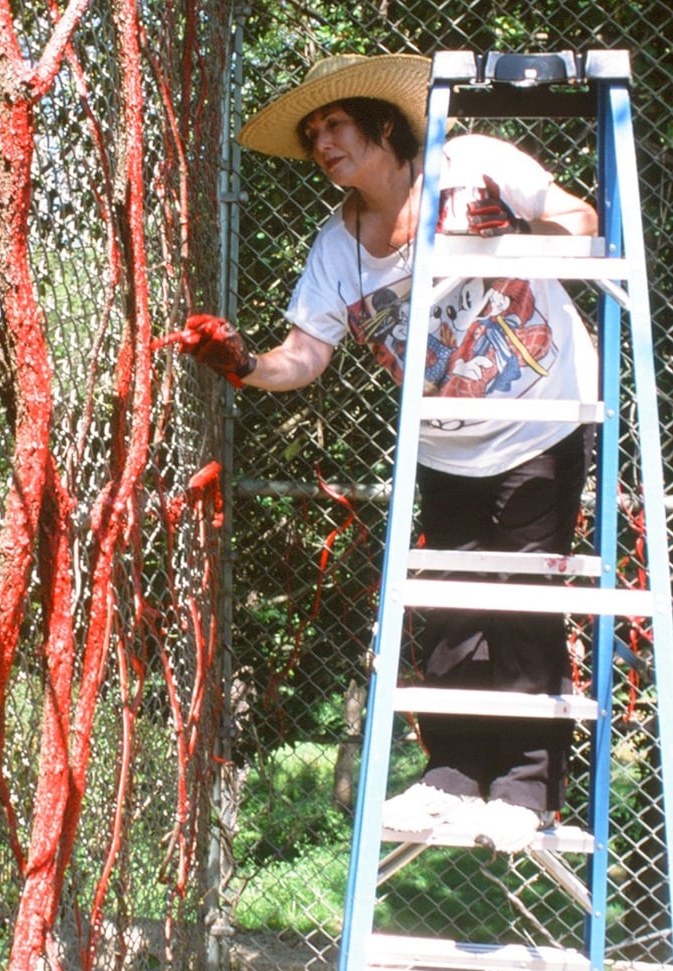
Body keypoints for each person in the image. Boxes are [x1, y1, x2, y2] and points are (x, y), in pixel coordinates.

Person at [162, 53, 600, 816]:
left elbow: (583, 223)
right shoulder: (337, 247)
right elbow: (304, 356)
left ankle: (528, 787)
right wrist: (242, 363)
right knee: (450, 607)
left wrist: (519, 232)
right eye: (312, 135)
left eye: (335, 125)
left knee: (519, 595)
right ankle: (454, 776)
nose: (323, 143)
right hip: (445, 446)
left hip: (540, 418)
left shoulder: (472, 169)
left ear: (383, 125)